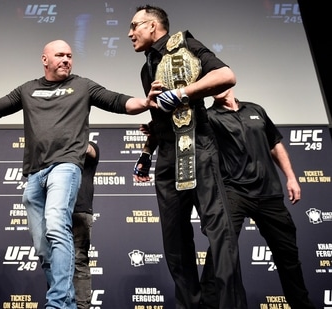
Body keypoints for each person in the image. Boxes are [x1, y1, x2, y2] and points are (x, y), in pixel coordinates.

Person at [0, 39, 153, 308]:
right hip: (35, 175)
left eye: (70, 55)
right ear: (45, 60)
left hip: (65, 166)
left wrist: (146, 102)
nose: (66, 59)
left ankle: (58, 301)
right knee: (41, 245)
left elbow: (118, 101)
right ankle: (67, 302)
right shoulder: (29, 89)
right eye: (59, 55)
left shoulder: (83, 86)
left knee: (57, 225)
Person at [128, 5, 246, 308]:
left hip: (199, 148)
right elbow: (162, 115)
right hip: (167, 154)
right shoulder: (147, 68)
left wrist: (183, 93)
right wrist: (146, 150)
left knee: (219, 233)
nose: (129, 33)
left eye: (135, 26)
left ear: (153, 26)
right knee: (174, 242)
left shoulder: (187, 45)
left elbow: (226, 75)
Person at [199, 87, 316, 308]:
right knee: (220, 250)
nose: (215, 89)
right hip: (234, 191)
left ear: (230, 84)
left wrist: (291, 177)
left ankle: (301, 305)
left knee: (288, 255)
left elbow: (275, 144)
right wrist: (156, 130)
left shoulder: (256, 110)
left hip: (269, 192)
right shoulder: (209, 116)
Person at [73, 141, 99, 309]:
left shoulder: (89, 145)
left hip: (79, 211)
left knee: (79, 260)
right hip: (55, 211)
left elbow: (90, 150)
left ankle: (82, 306)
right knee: (55, 262)